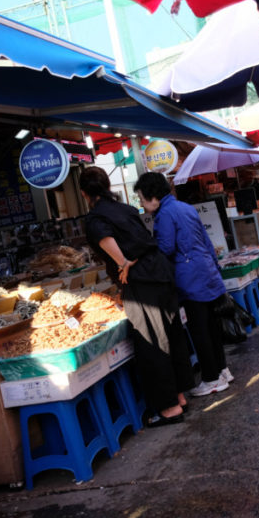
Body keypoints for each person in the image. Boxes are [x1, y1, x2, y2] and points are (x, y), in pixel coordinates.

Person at [79, 167, 194, 427]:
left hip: (142, 280)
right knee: (170, 334)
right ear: (108, 185)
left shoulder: (96, 217)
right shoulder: (126, 209)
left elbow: (106, 240)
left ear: (84, 193)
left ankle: (169, 409)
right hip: (161, 273)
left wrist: (123, 264)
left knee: (151, 343)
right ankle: (179, 395)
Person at [134, 172, 233, 398]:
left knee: (200, 331)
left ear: (154, 197)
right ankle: (222, 370)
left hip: (189, 278)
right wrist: (215, 268)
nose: (141, 203)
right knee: (212, 327)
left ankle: (211, 379)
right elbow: (207, 242)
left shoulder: (165, 215)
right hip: (206, 271)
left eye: (141, 198)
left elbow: (166, 248)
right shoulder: (186, 208)